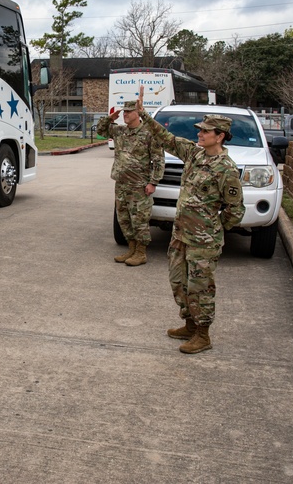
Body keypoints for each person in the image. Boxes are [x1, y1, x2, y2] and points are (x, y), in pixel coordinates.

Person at [136, 91, 244, 354]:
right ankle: (190, 325)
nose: (200, 134)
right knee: (178, 281)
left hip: (203, 242)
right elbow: (167, 138)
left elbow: (235, 210)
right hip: (181, 235)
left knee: (200, 288)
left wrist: (212, 230)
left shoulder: (226, 169)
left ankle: (203, 335)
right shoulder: (195, 155)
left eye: (206, 131)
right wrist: (143, 115)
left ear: (219, 136)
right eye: (200, 130)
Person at [96, 99, 165, 266]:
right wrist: (109, 119)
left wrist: (153, 182)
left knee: (139, 219)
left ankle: (141, 252)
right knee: (124, 219)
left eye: (128, 111)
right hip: (121, 184)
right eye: (124, 111)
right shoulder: (120, 131)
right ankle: (132, 248)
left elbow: (158, 160)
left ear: (137, 113)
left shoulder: (149, 134)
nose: (125, 114)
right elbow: (101, 131)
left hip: (139, 186)